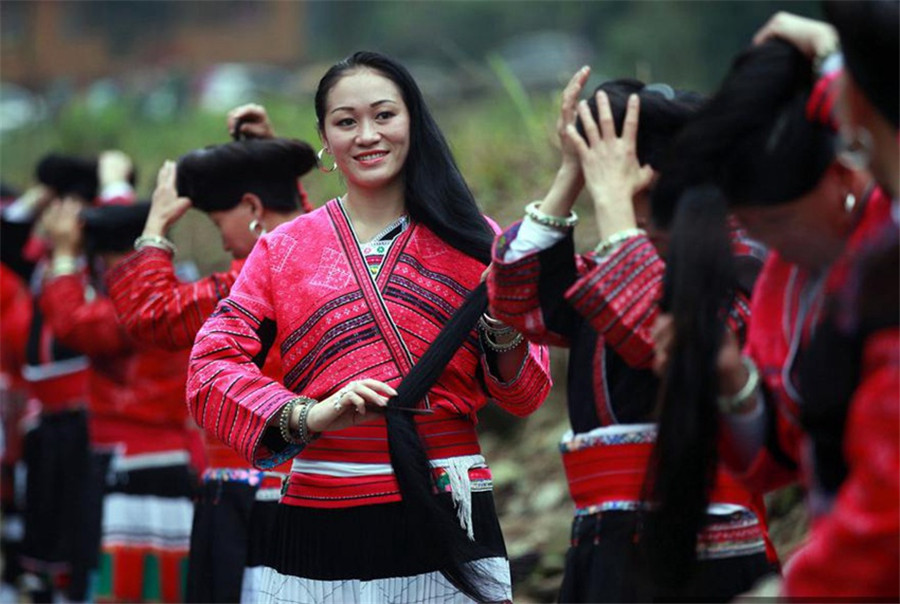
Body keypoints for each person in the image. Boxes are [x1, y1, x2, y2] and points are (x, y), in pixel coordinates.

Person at [185, 51, 552, 604]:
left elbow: (525, 394)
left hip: (446, 501)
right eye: (346, 121)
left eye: (384, 115)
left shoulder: (476, 240)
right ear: (324, 139)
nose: (367, 135)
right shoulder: (284, 250)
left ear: (413, 122)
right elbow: (210, 365)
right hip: (319, 509)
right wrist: (310, 414)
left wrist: (502, 325)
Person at [486, 70, 772, 602]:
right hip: (603, 544)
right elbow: (517, 300)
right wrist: (571, 172)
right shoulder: (615, 264)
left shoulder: (744, 262)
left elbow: (653, 335)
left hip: (703, 549)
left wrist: (616, 209)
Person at [651, 37, 896, 598]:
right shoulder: (784, 285)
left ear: (845, 177)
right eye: (752, 227)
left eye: (779, 222)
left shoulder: (888, 251)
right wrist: (731, 378)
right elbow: (779, 457)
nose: (768, 242)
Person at [106, 136, 317, 603]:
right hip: (313, 485)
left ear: (253, 208)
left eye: (219, 222)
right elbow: (301, 223)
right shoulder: (328, 264)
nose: (221, 238)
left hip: (249, 493)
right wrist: (268, 155)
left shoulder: (242, 287)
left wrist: (156, 225)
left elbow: (150, 313)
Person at [40, 193, 201, 603]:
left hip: (136, 462)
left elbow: (72, 325)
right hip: (162, 456)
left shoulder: (139, 302)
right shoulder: (172, 291)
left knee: (126, 587)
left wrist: (63, 257)